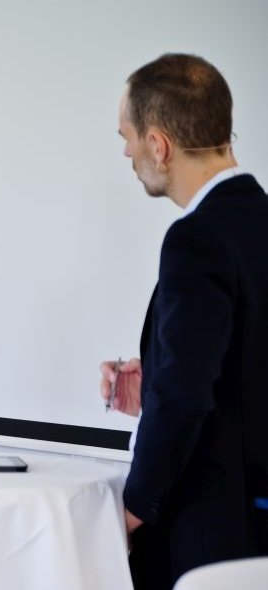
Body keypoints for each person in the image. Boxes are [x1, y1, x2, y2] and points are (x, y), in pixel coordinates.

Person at [100, 53, 268, 589]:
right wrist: (154, 376)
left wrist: (134, 507)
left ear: (159, 145)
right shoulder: (257, 220)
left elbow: (184, 392)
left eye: (128, 137)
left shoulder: (196, 238)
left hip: (212, 531)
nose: (126, 152)